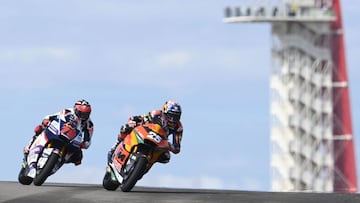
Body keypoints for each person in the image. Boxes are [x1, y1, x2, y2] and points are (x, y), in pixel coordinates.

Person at [108, 100, 183, 164]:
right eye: (171, 115)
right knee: (125, 128)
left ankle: (146, 165)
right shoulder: (155, 114)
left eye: (176, 117)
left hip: (160, 141)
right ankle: (115, 146)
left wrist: (170, 146)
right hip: (145, 132)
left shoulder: (178, 127)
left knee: (166, 157)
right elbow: (139, 118)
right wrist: (133, 121)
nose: (173, 119)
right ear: (164, 112)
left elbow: (177, 147)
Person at [23, 99, 94, 166]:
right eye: (81, 113)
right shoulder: (67, 111)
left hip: (73, 139)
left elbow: (88, 139)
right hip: (60, 132)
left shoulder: (89, 124)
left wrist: (84, 144)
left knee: (78, 158)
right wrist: (46, 120)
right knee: (40, 128)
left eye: (86, 114)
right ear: (75, 109)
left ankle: (59, 162)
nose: (83, 116)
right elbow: (51, 116)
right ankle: (29, 147)